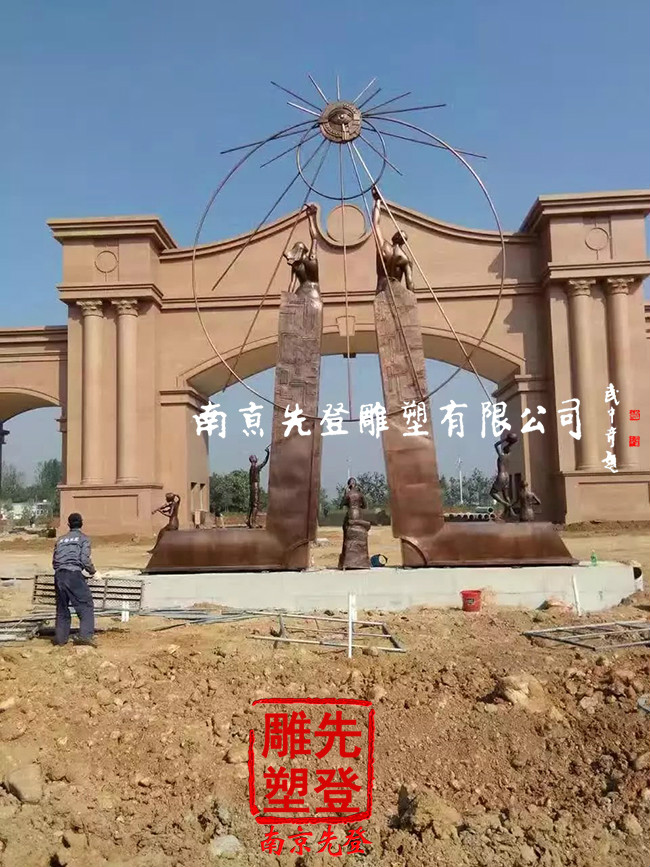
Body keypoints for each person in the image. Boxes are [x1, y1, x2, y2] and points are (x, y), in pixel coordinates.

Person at [52, 512, 97, 647]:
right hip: (73, 575)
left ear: (68, 524)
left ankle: (60, 639)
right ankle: (85, 636)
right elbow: (84, 560)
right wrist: (93, 572)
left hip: (59, 576)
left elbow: (54, 562)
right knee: (86, 606)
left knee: (62, 608)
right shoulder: (84, 539)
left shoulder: (60, 540)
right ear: (81, 523)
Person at [247, 447, 270, 528]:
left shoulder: (251, 469)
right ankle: (254, 523)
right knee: (255, 505)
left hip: (251, 486)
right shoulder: (256, 468)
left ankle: (248, 521)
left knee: (252, 505)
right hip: (255, 486)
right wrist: (268, 454)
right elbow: (264, 462)